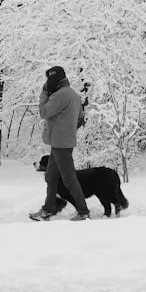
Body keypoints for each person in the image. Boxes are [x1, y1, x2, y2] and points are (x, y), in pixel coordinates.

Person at [29, 65, 90, 221]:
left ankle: (83, 212)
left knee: (69, 179)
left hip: (61, 144)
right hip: (62, 142)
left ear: (55, 80)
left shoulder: (60, 95)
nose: (48, 83)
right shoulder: (74, 95)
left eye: (49, 80)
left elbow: (44, 112)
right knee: (51, 176)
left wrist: (44, 92)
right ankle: (47, 210)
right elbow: (80, 119)